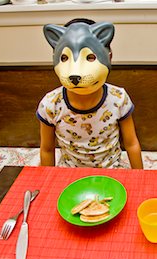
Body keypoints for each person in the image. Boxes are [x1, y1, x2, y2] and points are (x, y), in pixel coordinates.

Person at [37, 19, 143, 169]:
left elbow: (131, 144)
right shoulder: (50, 104)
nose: (76, 72)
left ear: (109, 57)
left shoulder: (118, 99)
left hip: (112, 169)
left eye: (91, 57)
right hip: (68, 172)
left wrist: (139, 179)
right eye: (65, 58)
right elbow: (47, 150)